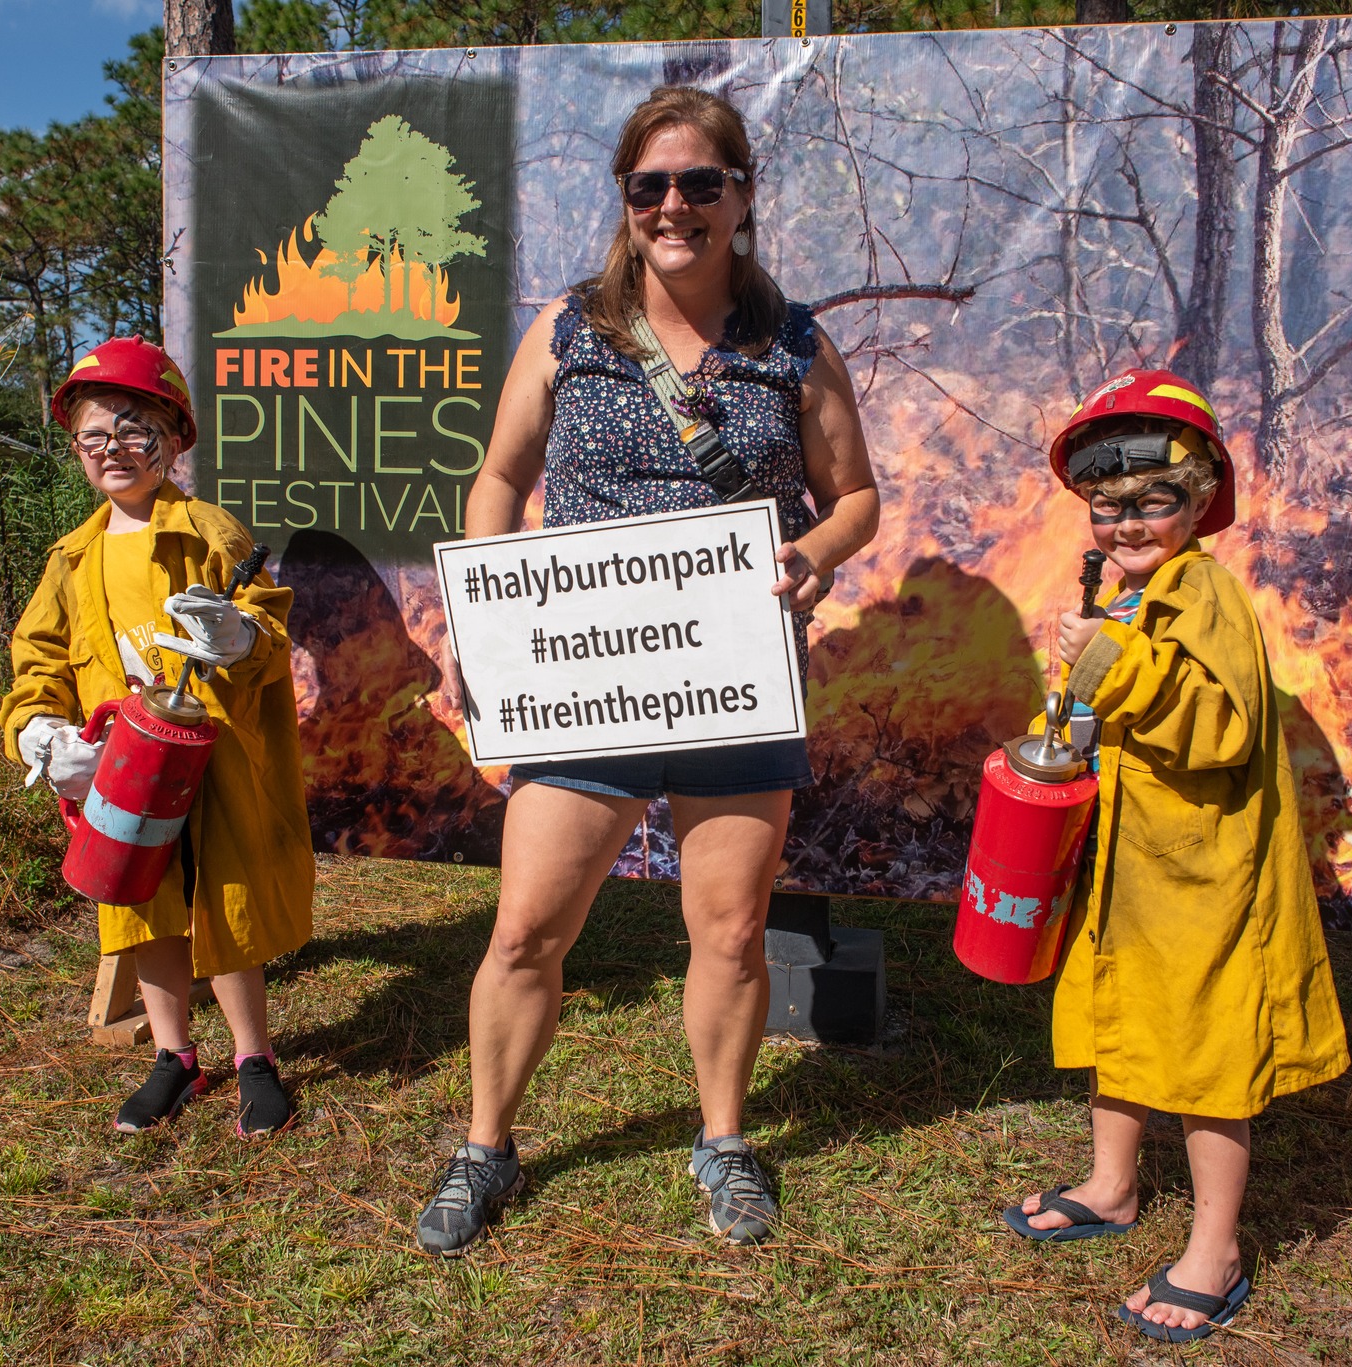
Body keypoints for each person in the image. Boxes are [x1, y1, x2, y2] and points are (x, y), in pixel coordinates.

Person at [414, 87, 881, 1255]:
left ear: (741, 197)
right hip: (582, 672)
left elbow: (856, 496)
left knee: (727, 933)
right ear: (625, 204)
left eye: (698, 183)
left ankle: (722, 1140)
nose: (674, 206)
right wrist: (481, 617)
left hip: (730, 672)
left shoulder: (791, 342)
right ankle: (485, 1144)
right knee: (525, 928)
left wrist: (814, 553)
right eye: (649, 187)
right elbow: (497, 477)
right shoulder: (571, 330)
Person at [999, 370, 1350, 1343]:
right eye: (1106, 505)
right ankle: (1112, 1185)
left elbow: (1224, 728)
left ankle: (1215, 1244)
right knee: (1120, 1018)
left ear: (1196, 499)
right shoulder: (1120, 595)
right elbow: (1089, 707)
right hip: (1124, 871)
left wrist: (1114, 665)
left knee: (1203, 1054)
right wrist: (1052, 736)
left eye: (1152, 500)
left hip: (1200, 873)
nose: (1126, 522)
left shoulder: (1206, 596)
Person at [0, 337, 315, 1139]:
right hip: (122, 765)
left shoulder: (210, 532)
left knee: (226, 894)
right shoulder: (70, 560)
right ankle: (175, 1056)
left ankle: (254, 1058)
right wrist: (39, 730)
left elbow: (269, 628)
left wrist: (240, 640)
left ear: (172, 441)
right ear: (75, 446)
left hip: (212, 755)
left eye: (136, 432)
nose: (116, 451)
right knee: (139, 899)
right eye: (96, 436)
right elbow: (37, 661)